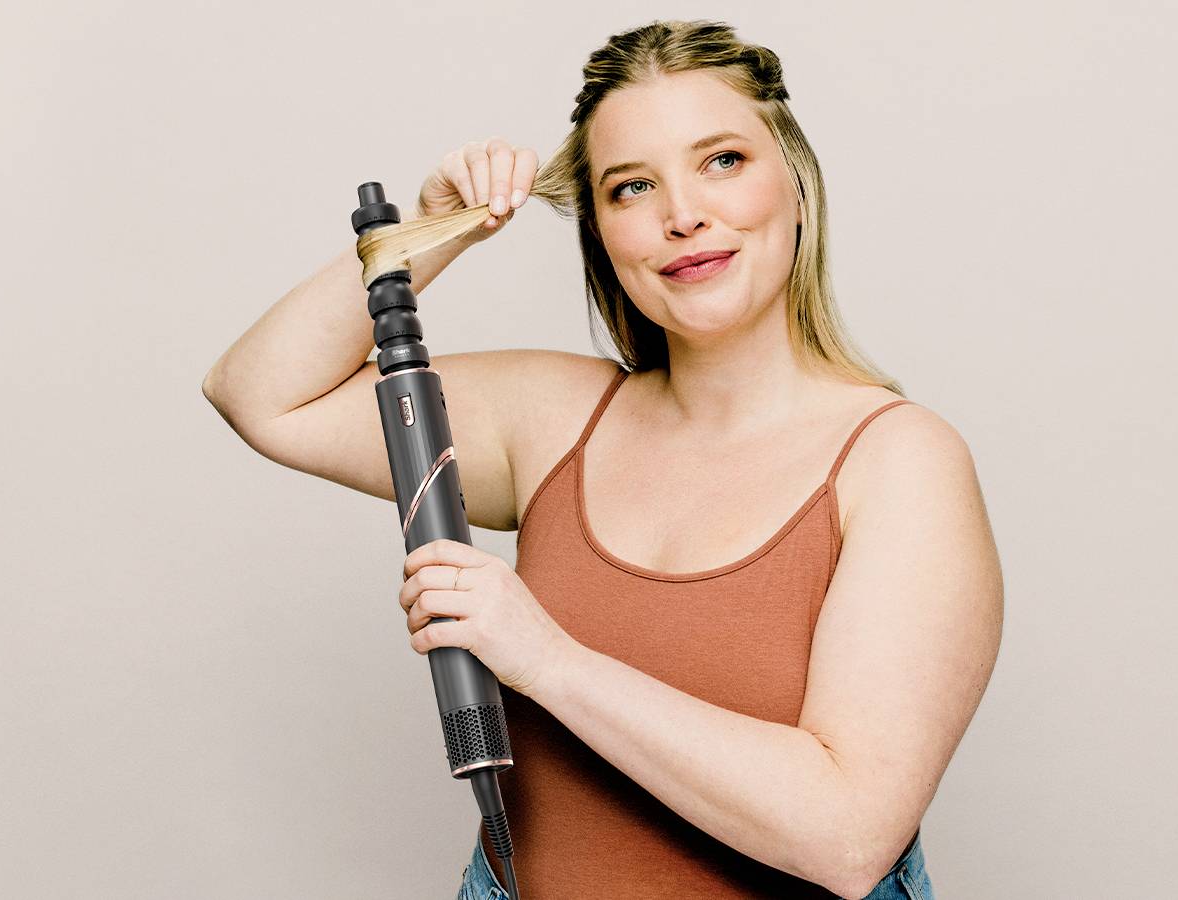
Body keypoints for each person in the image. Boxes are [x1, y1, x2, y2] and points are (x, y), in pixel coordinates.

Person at [203, 18, 1001, 900]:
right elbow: (261, 394)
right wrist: (432, 236)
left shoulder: (898, 461)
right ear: (603, 234)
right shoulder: (556, 420)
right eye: (631, 187)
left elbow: (849, 839)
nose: (682, 213)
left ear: (798, 185)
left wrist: (546, 659)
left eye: (723, 160)